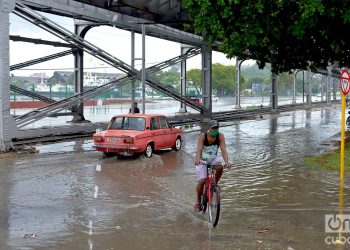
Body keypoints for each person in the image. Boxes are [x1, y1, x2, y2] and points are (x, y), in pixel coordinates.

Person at [194, 120, 232, 212]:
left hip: (213, 159)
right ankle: (198, 202)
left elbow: (223, 150)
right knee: (202, 180)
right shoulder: (203, 136)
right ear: (209, 129)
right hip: (202, 160)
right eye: (213, 128)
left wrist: (227, 161)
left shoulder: (220, 136)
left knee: (220, 166)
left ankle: (215, 184)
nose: (215, 130)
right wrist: (198, 159)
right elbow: (199, 149)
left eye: (216, 128)